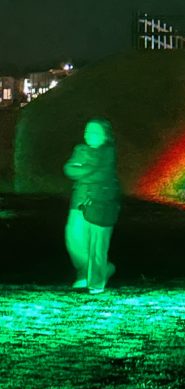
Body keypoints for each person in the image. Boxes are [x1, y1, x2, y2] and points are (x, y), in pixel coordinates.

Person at [63, 119, 121, 294]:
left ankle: (96, 281)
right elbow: (69, 169)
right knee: (74, 239)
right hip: (79, 201)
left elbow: (99, 174)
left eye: (95, 132)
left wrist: (83, 169)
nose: (89, 136)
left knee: (98, 243)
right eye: (87, 131)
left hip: (101, 203)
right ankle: (87, 271)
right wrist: (88, 169)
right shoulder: (80, 150)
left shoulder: (108, 153)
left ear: (105, 135)